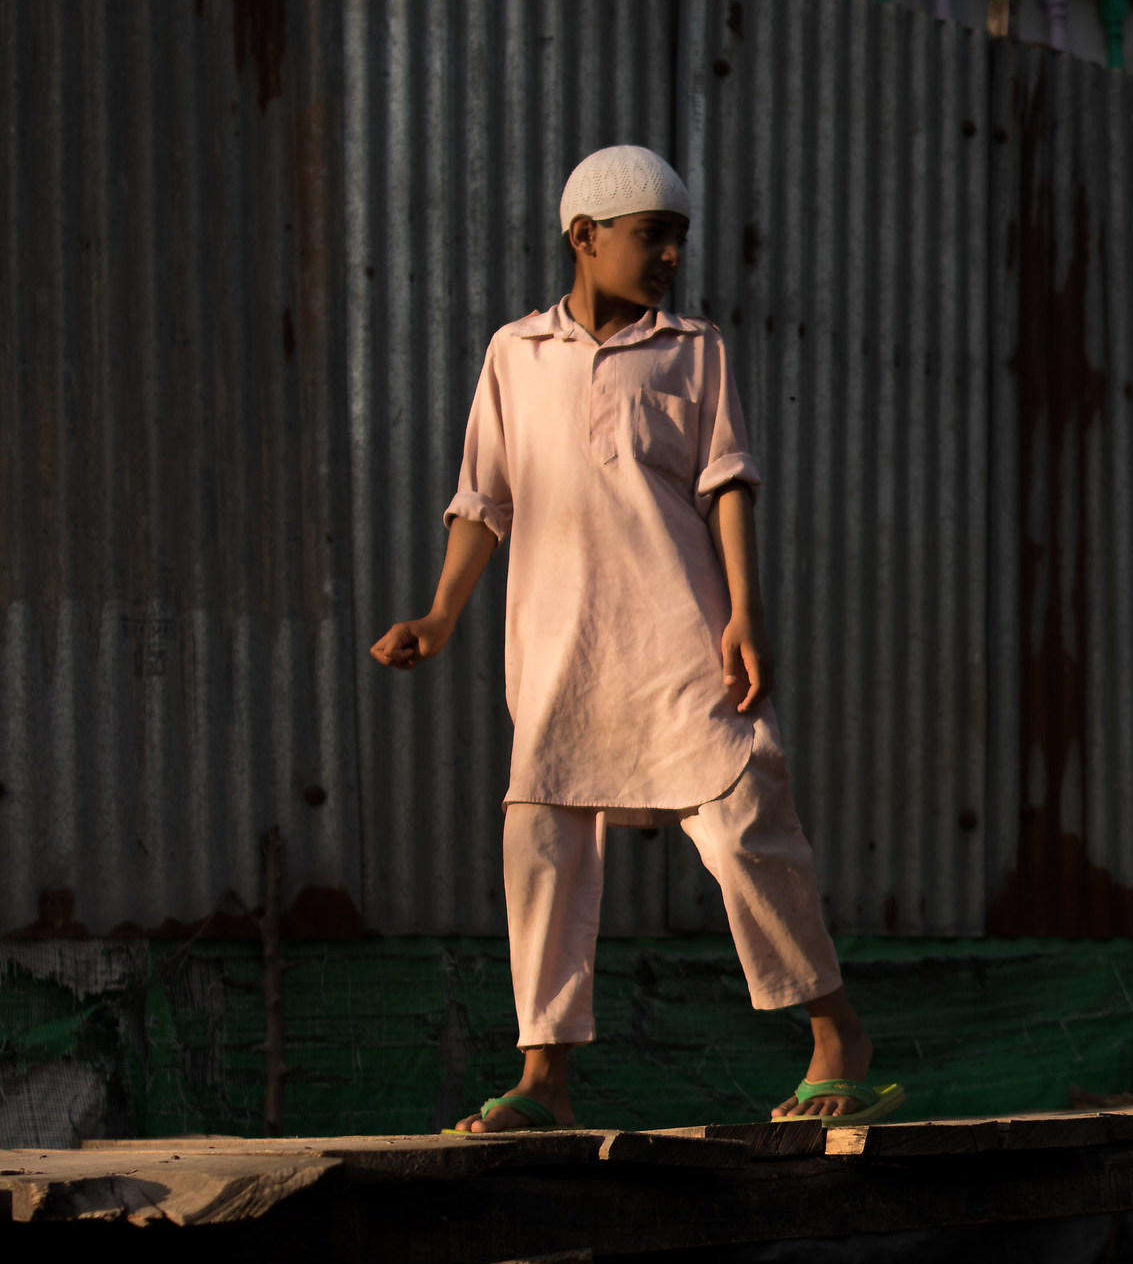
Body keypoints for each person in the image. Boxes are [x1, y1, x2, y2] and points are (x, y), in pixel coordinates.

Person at [370, 143, 902, 1135]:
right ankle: (544, 1079)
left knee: (745, 827)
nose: (667, 258)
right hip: (557, 641)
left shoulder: (693, 348)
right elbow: (482, 501)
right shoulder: (513, 354)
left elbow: (726, 480)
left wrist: (745, 610)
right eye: (650, 237)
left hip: (679, 631)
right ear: (585, 237)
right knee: (543, 840)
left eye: (677, 240)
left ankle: (838, 1038)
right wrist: (439, 616)